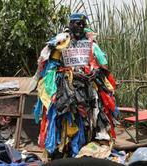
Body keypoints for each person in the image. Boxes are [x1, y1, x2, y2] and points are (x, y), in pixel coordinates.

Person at [31, 13, 119, 160]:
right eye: (77, 24)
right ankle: (66, 154)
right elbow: (51, 68)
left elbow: (99, 64)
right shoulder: (61, 42)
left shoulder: (90, 42)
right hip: (68, 91)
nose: (81, 27)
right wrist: (72, 74)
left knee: (91, 120)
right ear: (70, 24)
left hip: (88, 90)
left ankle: (86, 151)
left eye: (83, 24)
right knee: (68, 122)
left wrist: (95, 72)